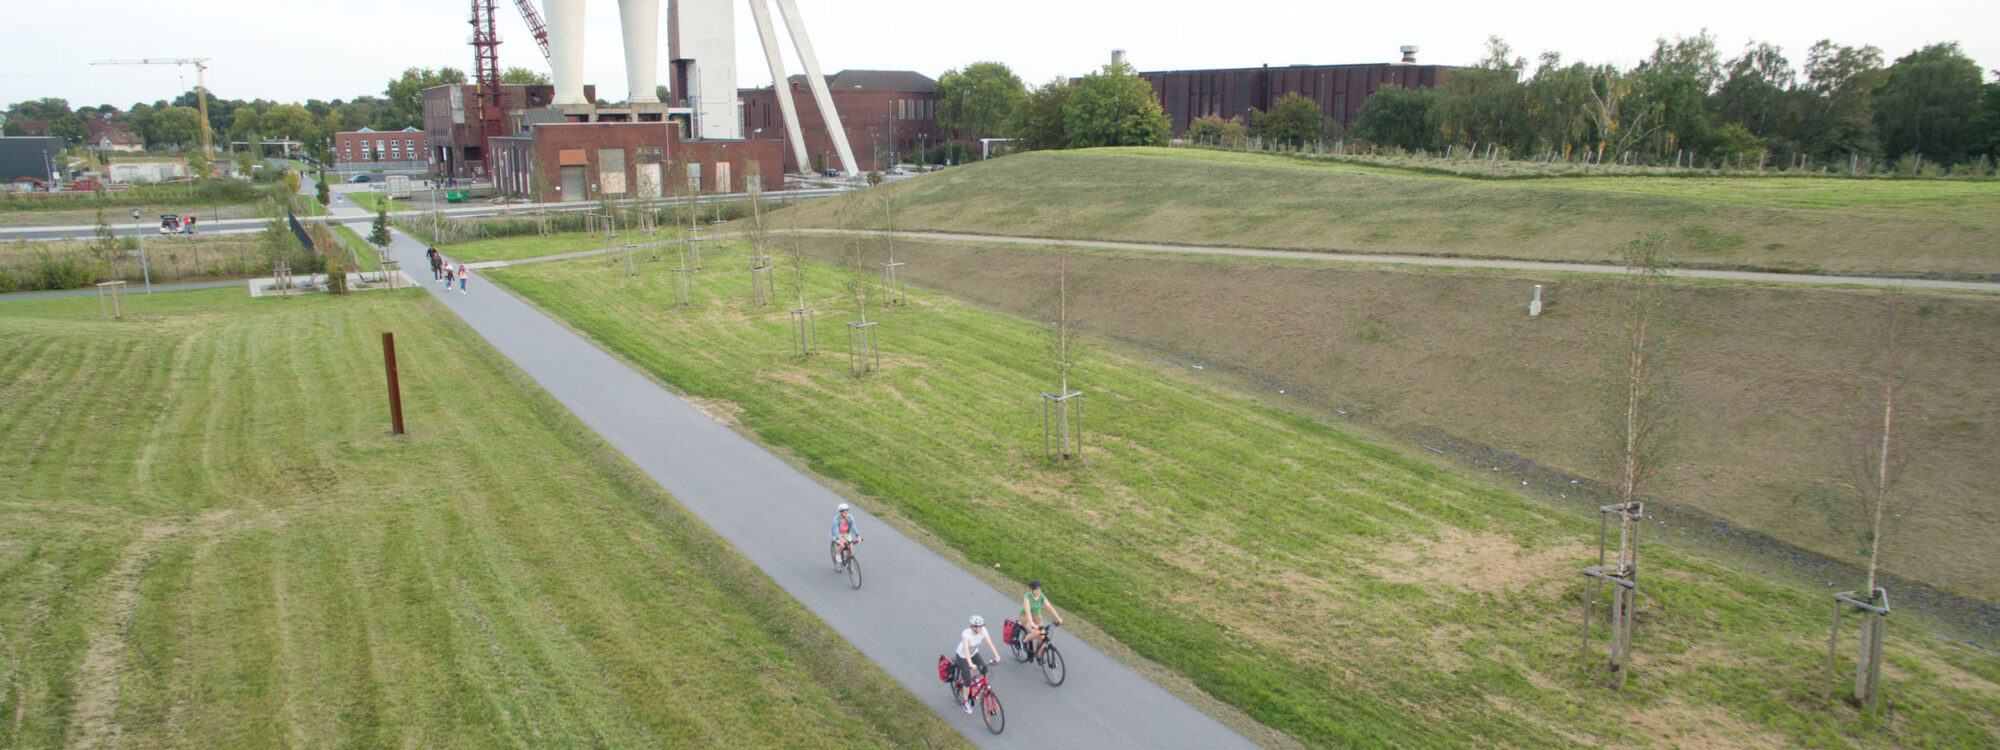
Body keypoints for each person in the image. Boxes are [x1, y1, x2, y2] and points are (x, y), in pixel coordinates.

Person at [954, 615, 1001, 714]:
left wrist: (997, 656)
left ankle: (975, 679)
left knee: (985, 669)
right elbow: (966, 649)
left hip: (974, 653)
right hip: (962, 656)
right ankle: (966, 702)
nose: (981, 628)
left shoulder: (983, 631)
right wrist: (970, 663)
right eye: (978, 627)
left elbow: (989, 642)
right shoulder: (966, 634)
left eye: (981, 626)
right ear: (973, 627)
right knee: (967, 678)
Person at [1016, 579, 1064, 656]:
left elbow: (1049, 607)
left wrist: (1058, 618)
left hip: (1036, 616)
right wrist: (1032, 624)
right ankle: (1023, 642)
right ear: (1032, 590)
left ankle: (1038, 655)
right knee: (1035, 632)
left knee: (1042, 635)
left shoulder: (1041, 596)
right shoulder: (1027, 597)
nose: (1038, 591)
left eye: (1039, 589)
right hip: (1025, 616)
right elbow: (1027, 611)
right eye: (1036, 590)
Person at [829, 503, 861, 568]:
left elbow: (853, 527)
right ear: (840, 512)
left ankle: (849, 560)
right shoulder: (836, 519)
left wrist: (858, 536)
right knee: (843, 545)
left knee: (850, 546)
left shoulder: (850, 517)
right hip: (837, 534)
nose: (846, 513)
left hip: (846, 534)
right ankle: (837, 555)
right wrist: (838, 539)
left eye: (847, 511)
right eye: (844, 512)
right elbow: (835, 530)